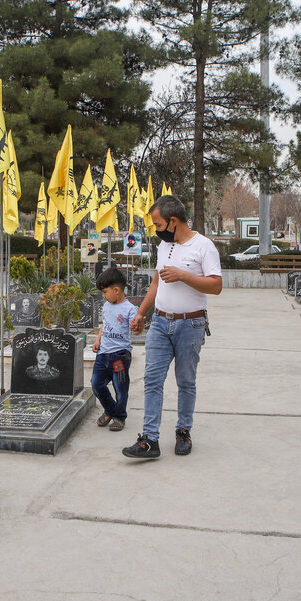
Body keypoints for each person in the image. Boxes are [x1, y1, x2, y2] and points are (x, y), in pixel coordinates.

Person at [123, 195, 221, 459]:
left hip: (191, 324)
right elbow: (157, 283)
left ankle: (183, 431)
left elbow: (216, 286)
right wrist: (141, 313)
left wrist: (184, 276)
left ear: (174, 221)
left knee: (185, 382)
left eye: (158, 225)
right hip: (160, 323)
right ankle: (149, 440)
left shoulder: (204, 246)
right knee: (152, 381)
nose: (156, 231)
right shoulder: (163, 247)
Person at [91, 267, 137, 432]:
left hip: (120, 356)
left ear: (116, 290)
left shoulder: (130, 309)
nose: (103, 295)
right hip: (103, 354)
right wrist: (98, 339)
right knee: (96, 384)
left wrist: (137, 325)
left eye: (105, 292)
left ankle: (119, 416)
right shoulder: (106, 306)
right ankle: (110, 409)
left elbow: (136, 329)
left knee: (120, 387)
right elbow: (105, 325)